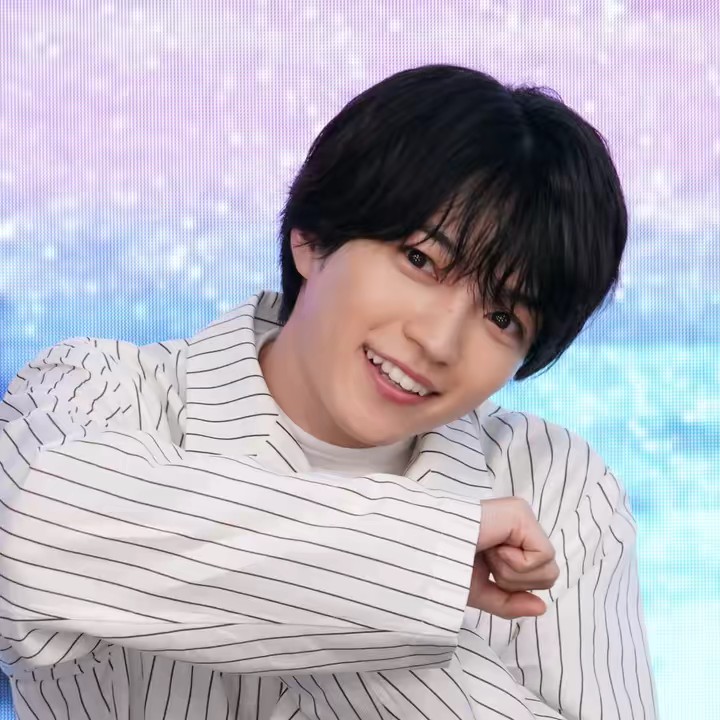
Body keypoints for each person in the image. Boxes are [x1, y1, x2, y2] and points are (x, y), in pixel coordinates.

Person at [0, 65, 657, 719]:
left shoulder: (559, 488)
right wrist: (427, 559)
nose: (438, 342)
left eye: (502, 316)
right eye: (421, 260)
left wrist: (367, 601)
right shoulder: (98, 388)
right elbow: (29, 541)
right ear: (312, 239)